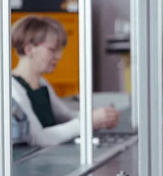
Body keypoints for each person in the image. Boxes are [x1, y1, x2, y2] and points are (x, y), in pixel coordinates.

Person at [11, 15, 120, 147]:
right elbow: (37, 138)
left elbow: (66, 117)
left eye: (59, 50)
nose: (58, 56)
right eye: (52, 50)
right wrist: (88, 121)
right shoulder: (13, 89)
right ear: (28, 49)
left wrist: (101, 119)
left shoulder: (42, 83)